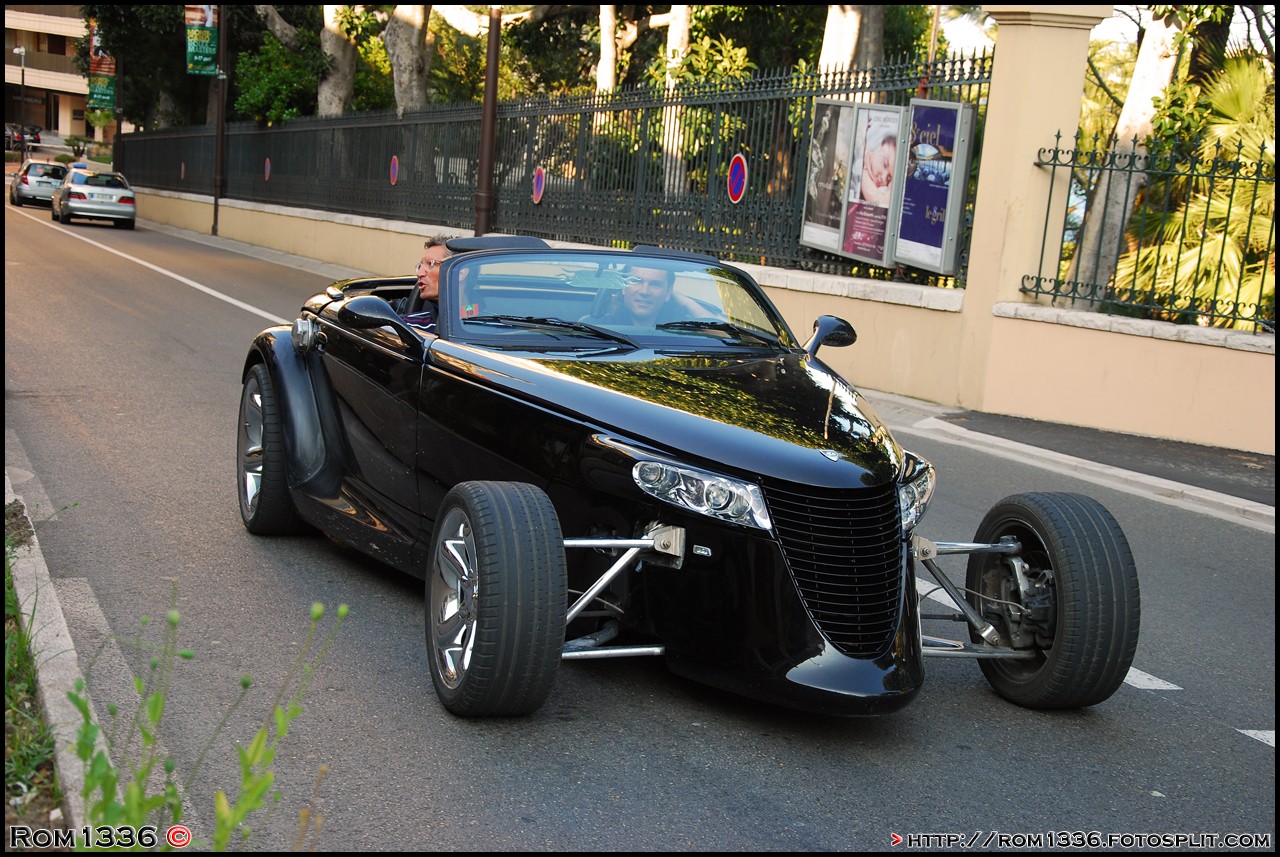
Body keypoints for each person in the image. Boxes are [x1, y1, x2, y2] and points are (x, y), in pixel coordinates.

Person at [391, 235, 454, 329]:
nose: (419, 274)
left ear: (460, 272)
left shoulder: (477, 319)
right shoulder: (409, 327)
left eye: (430, 264)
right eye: (420, 266)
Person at [859, 126, 897, 208]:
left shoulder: (883, 190)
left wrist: (864, 172)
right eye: (885, 163)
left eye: (889, 178)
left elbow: (881, 202)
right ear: (881, 145)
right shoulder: (858, 148)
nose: (883, 178)